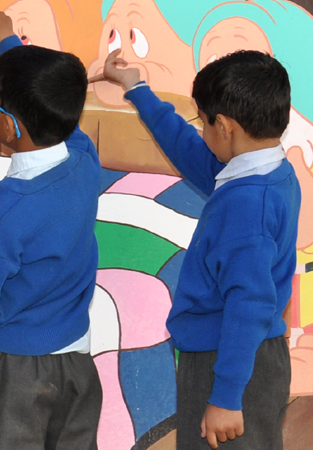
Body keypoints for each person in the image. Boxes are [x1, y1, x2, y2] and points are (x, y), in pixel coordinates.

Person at [96, 48, 300, 449]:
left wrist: (226, 397)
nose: (201, 132)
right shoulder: (268, 171)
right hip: (244, 356)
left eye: (202, 122)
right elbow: (188, 150)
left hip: (229, 362)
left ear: (223, 126)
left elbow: (250, 303)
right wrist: (136, 89)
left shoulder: (246, 202)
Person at [0, 6, 103, 450]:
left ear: (9, 124)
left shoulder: (3, 209)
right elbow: (54, 106)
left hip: (12, 372)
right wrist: (7, 41)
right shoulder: (84, 162)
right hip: (77, 363)